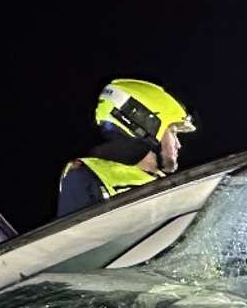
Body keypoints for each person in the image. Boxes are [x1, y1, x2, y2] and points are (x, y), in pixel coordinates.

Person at [56, 79, 196, 216]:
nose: (178, 145)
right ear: (147, 127)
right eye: (172, 132)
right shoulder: (85, 176)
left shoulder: (173, 186)